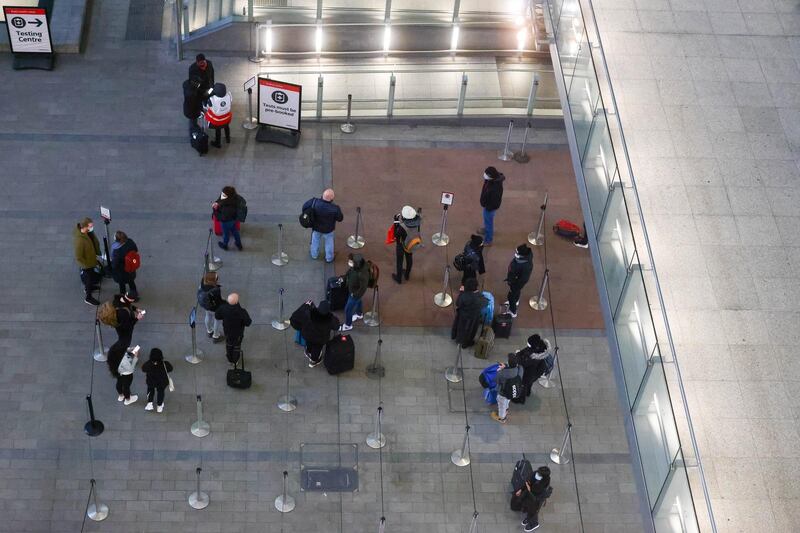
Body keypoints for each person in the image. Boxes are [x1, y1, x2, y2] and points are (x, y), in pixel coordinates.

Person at [291, 300, 340, 368]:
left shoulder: (309, 312)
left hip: (307, 335)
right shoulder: (330, 319)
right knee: (317, 349)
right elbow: (336, 326)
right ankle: (313, 361)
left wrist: (306, 305)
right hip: (320, 339)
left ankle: (308, 352)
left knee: (309, 343)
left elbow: (298, 315)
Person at [302, 189, 344, 263]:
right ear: (331, 199)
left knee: (315, 241)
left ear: (322, 195)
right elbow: (340, 218)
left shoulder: (314, 202)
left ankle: (314, 255)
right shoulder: (335, 208)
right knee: (329, 243)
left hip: (316, 227)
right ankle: (329, 258)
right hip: (328, 229)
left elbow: (304, 207)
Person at [215, 293, 252, 365]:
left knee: (228, 344)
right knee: (236, 346)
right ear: (236, 302)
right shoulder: (241, 312)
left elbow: (217, 316)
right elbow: (248, 323)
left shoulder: (223, 308)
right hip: (238, 333)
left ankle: (229, 359)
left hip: (227, 331)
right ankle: (235, 360)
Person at [451, 278, 488, 348]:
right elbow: (485, 303)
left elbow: (458, 303)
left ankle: (458, 339)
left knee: (461, 328)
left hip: (463, 316)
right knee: (471, 331)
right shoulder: (478, 297)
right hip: (474, 317)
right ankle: (466, 343)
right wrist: (477, 293)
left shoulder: (464, 296)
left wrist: (461, 292)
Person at [73, 217, 102, 305]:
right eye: (90, 226)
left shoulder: (86, 233)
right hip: (87, 264)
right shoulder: (80, 241)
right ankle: (88, 297)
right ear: (85, 227)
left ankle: (88, 288)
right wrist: (86, 264)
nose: (92, 227)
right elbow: (78, 256)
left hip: (90, 261)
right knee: (89, 278)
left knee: (91, 275)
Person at [513, 466, 552, 531]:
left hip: (536, 498)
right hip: (530, 495)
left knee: (533, 511)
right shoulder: (535, 474)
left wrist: (529, 489)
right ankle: (528, 518)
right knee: (528, 507)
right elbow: (528, 482)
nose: (537, 473)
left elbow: (534, 491)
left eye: (539, 473)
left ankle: (534, 523)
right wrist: (521, 489)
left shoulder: (543, 483)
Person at [514, 334, 552, 399]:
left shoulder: (533, 357)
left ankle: (521, 397)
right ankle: (528, 393)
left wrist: (517, 354)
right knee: (529, 385)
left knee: (524, 385)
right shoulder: (539, 348)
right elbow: (525, 350)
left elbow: (522, 362)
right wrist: (520, 353)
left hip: (529, 375)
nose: (527, 344)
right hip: (534, 375)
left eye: (528, 343)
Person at [391, 206, 421, 284]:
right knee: (409, 259)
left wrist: (396, 222)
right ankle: (407, 275)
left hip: (401, 245)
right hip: (411, 244)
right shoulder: (417, 222)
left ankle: (399, 278)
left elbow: (396, 235)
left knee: (399, 261)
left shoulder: (402, 227)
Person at [491, 353, 523, 424]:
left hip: (503, 392)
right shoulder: (520, 369)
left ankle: (502, 418)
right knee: (507, 400)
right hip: (512, 390)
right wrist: (505, 367)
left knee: (501, 405)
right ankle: (506, 409)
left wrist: (500, 370)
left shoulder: (502, 373)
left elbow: (496, 380)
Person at [341, 253, 369, 331]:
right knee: (359, 301)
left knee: (348, 309)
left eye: (351, 262)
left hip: (355, 293)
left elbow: (363, 288)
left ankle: (348, 325)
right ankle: (359, 314)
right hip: (353, 291)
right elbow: (350, 272)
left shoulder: (362, 274)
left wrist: (354, 294)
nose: (350, 263)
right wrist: (345, 277)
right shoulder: (356, 268)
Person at [504, 244, 533, 318]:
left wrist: (513, 283)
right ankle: (516, 301)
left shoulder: (525, 266)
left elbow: (523, 279)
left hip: (516, 283)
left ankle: (513, 311)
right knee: (517, 292)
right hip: (516, 281)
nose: (515, 253)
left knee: (511, 296)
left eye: (517, 252)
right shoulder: (523, 259)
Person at [478, 166, 505, 246]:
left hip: (489, 208)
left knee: (489, 222)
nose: (484, 175)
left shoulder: (495, 188)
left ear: (491, 176)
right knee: (487, 220)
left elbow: (495, 202)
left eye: (486, 174)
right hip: (487, 205)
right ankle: (486, 229)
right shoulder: (491, 180)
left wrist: (488, 208)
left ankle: (488, 240)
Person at [141, 348, 173, 413]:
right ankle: (159, 406)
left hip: (151, 381)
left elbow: (143, 369)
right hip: (162, 382)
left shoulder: (148, 364)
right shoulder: (165, 364)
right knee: (161, 392)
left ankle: (150, 404)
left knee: (150, 390)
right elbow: (170, 369)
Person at [107, 341, 139, 406]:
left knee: (119, 383)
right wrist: (136, 356)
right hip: (127, 374)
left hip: (119, 372)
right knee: (126, 386)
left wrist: (130, 349)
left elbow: (123, 351)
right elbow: (131, 368)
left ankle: (121, 395)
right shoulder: (124, 360)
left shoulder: (113, 354)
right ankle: (128, 399)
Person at [212, 186, 243, 251]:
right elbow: (220, 199)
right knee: (235, 231)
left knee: (226, 234)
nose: (222, 194)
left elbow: (222, 217)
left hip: (226, 221)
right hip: (234, 219)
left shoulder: (226, 206)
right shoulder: (235, 198)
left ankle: (225, 245)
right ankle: (239, 244)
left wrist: (215, 211)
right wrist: (217, 202)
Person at [110, 231, 139, 299]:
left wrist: (111, 269)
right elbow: (136, 250)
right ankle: (134, 295)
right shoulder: (130, 242)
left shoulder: (117, 251)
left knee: (122, 284)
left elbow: (115, 264)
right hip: (131, 268)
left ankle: (123, 296)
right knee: (131, 282)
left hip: (121, 271)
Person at [197, 271, 223, 343]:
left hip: (206, 306)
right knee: (217, 320)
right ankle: (216, 335)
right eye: (216, 278)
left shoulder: (203, 283)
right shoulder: (215, 290)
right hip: (214, 308)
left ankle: (209, 331)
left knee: (208, 316)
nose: (218, 279)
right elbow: (219, 301)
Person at [203, 82, 232, 148]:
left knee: (218, 130)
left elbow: (206, 107)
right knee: (226, 126)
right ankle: (228, 139)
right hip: (227, 118)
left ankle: (217, 143)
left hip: (217, 120)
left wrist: (209, 93)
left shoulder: (212, 99)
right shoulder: (229, 95)